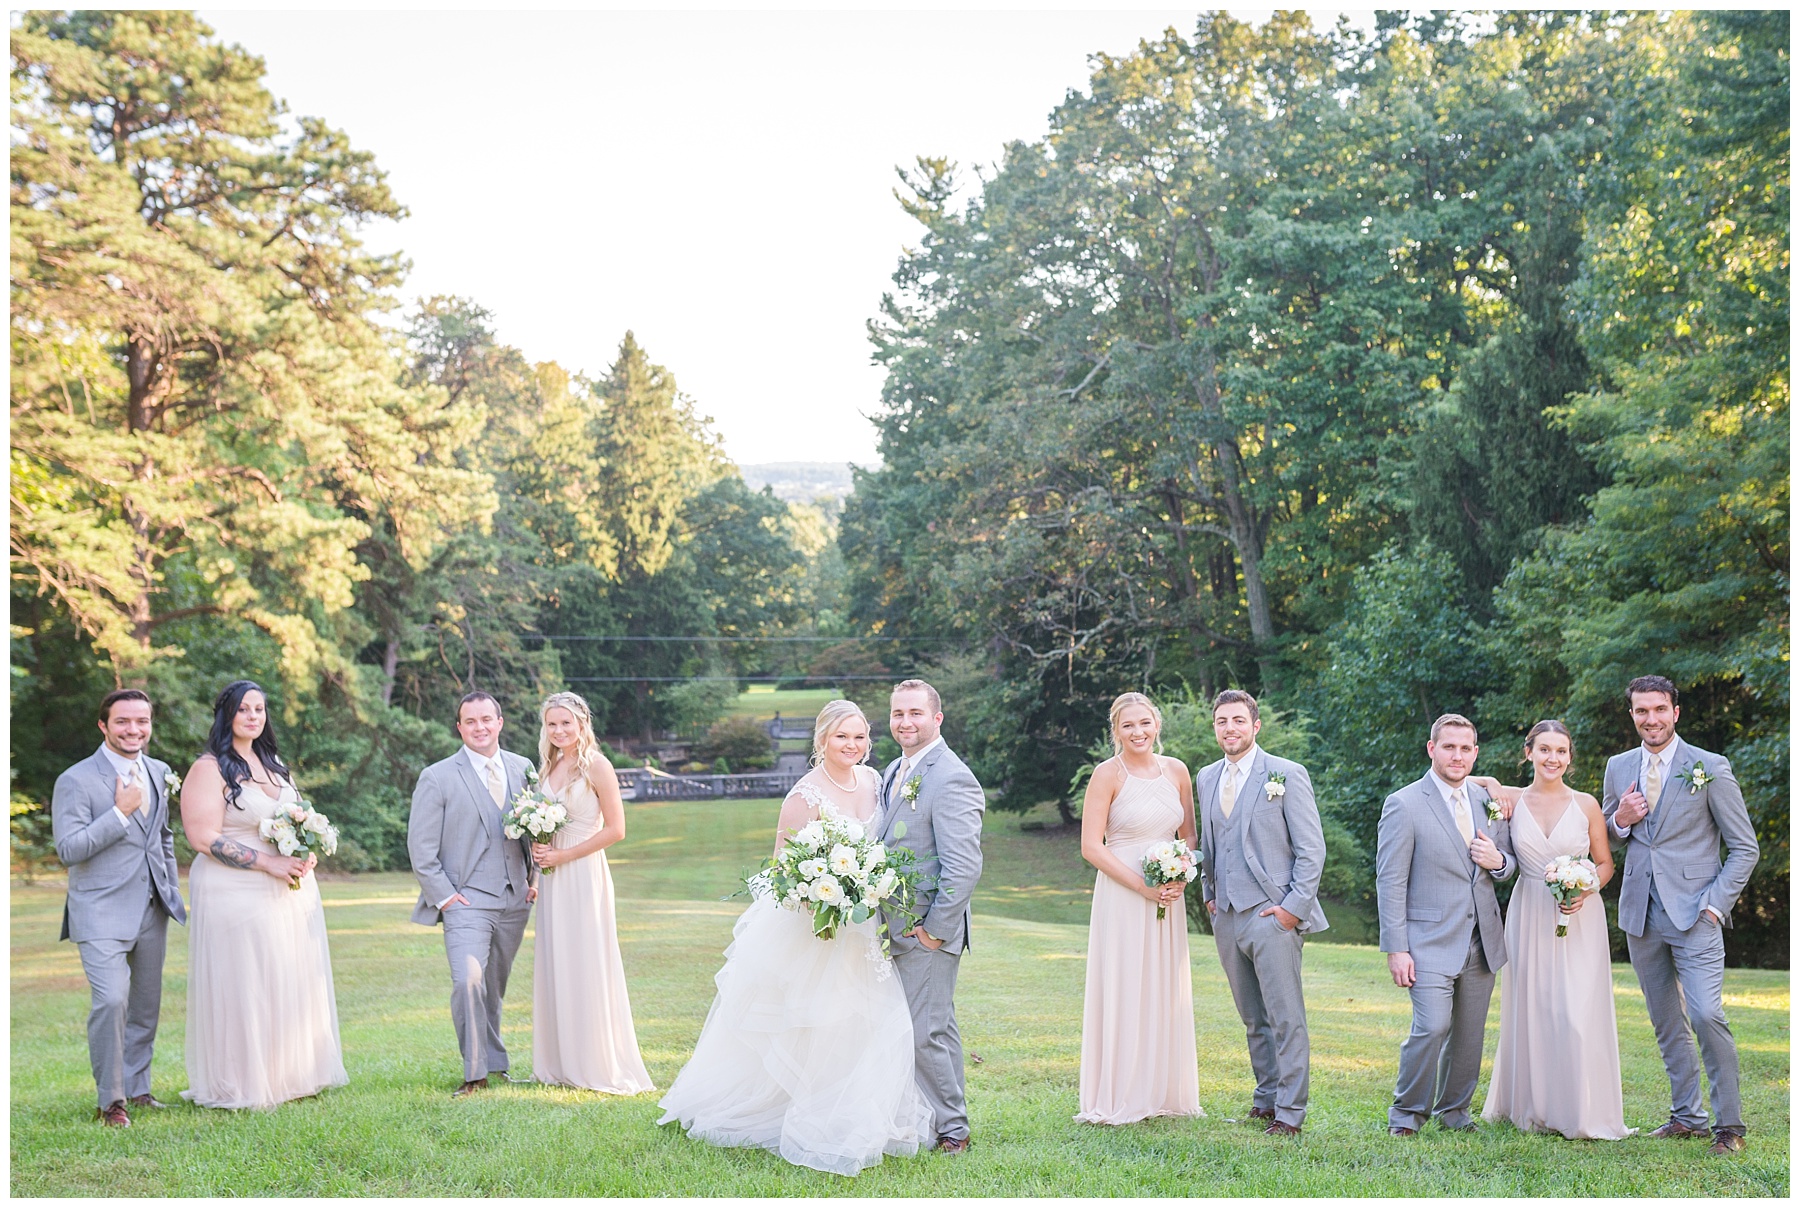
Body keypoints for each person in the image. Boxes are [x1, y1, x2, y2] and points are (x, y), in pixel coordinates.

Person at [658, 700, 932, 1176]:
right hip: (816, 926)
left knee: (864, 1018)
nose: (852, 745)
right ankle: (804, 1109)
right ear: (822, 740)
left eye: (860, 737)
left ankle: (859, 1110)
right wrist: (820, 896)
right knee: (815, 1021)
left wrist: (864, 888)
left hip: (862, 925)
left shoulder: (875, 782)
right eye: (842, 737)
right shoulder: (804, 797)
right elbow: (782, 868)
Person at [1601, 675, 1759, 1155]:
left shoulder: (1709, 767)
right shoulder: (1618, 766)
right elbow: (1604, 837)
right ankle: (1687, 1116)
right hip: (1641, 914)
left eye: (1659, 709)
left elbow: (1745, 848)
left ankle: (1728, 1126)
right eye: (1641, 711)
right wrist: (1620, 820)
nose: (1651, 719)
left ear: (1676, 712)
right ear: (1632, 715)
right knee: (1667, 1021)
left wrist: (1715, 904)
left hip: (1696, 914)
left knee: (1708, 1014)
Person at [178, 680, 347, 1109]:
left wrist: (305, 852)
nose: (253, 716)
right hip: (233, 891)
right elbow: (201, 837)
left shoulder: (274, 764)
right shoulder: (209, 767)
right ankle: (243, 1082)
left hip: (288, 890)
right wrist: (267, 862)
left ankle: (289, 1075)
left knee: (287, 976)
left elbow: (295, 820)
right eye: (243, 709)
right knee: (247, 982)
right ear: (226, 715)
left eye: (260, 709)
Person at [1469, 721, 1629, 1139]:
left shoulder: (1587, 804)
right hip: (1529, 910)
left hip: (1579, 913)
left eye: (1560, 751)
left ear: (1570, 757)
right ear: (1529, 753)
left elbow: (1606, 862)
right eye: (1544, 750)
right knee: (1533, 1005)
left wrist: (1586, 888)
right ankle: (1530, 1105)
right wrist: (1490, 781)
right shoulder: (1511, 800)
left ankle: (1578, 1110)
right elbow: (1460, 778)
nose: (1552, 758)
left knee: (1575, 1009)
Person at [51, 689, 188, 1127]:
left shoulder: (160, 771)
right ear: (103, 726)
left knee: (146, 1007)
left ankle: (138, 1088)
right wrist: (119, 813)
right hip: (100, 910)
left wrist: (171, 888)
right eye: (123, 722)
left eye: (142, 721)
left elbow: (162, 836)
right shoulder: (75, 779)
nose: (134, 730)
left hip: (152, 907)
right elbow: (69, 849)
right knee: (112, 1001)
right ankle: (111, 1102)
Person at [1377, 713, 1516, 1136]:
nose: (1457, 755)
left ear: (1475, 753)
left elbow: (1507, 864)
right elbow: (1390, 879)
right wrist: (1396, 947)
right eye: (1449, 746)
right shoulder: (1404, 803)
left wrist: (1500, 863)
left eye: (1465, 748)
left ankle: (1455, 1113)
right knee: (1433, 1025)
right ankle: (1407, 1115)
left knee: (1470, 1035)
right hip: (1426, 941)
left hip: (1482, 940)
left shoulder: (1487, 802)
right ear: (1431, 749)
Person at [1198, 689, 1327, 1136]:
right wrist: (1209, 893)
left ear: (1255, 726)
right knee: (1253, 1017)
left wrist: (1292, 909)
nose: (1229, 728)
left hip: (1272, 913)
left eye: (1237, 720)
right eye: (1221, 721)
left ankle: (1290, 1114)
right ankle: (1266, 1099)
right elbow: (1210, 844)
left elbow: (1312, 851)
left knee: (1285, 1016)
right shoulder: (1207, 776)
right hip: (1228, 915)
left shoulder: (1287, 774)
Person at [1075, 692, 1202, 1126]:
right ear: (1116, 731)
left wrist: (1177, 877)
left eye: (1145, 723)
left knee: (1164, 986)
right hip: (1123, 892)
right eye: (1128, 725)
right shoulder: (1107, 775)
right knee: (1126, 984)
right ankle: (1122, 1093)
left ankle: (1163, 1090)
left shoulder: (1178, 771)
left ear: (1157, 725)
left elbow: (1188, 836)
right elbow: (1092, 846)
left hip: (1167, 894)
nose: (1138, 732)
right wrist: (1142, 888)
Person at [408, 690, 539, 1097]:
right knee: (468, 980)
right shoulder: (437, 776)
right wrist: (444, 896)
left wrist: (534, 880)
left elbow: (538, 831)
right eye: (470, 721)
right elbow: (420, 847)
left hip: (515, 898)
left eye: (487, 719)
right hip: (466, 899)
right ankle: (475, 1074)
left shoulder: (524, 769)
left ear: (500, 722)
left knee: (492, 987)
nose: (479, 727)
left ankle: (496, 1064)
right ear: (459, 727)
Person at [877, 679, 986, 1154]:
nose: (906, 722)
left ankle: (953, 1132)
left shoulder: (951, 776)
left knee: (926, 1033)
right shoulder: (893, 770)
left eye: (915, 713)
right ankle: (936, 1119)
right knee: (935, 1026)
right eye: (899, 713)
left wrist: (935, 933)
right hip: (892, 926)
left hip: (926, 930)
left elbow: (963, 866)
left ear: (937, 718)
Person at [529, 692, 654, 1094]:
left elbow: (616, 829)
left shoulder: (597, 766)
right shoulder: (546, 766)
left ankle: (595, 1062)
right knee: (557, 960)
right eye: (552, 724)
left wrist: (564, 854)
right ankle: (560, 1062)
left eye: (567, 723)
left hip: (583, 874)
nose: (559, 730)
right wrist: (541, 855)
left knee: (585, 960)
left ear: (582, 724)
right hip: (552, 879)